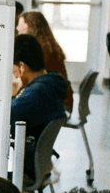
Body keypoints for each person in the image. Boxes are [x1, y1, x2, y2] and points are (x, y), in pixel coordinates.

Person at [11, 33, 68, 180]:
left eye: (12, 68)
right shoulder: (50, 84)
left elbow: (6, 119)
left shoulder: (36, 94)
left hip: (24, 167)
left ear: (21, 66)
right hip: (36, 163)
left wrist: (13, 94)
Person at [17, 10, 73, 113]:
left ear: (29, 25)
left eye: (20, 23)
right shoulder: (47, 42)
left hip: (55, 101)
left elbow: (35, 78)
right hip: (61, 96)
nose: (17, 27)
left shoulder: (40, 47)